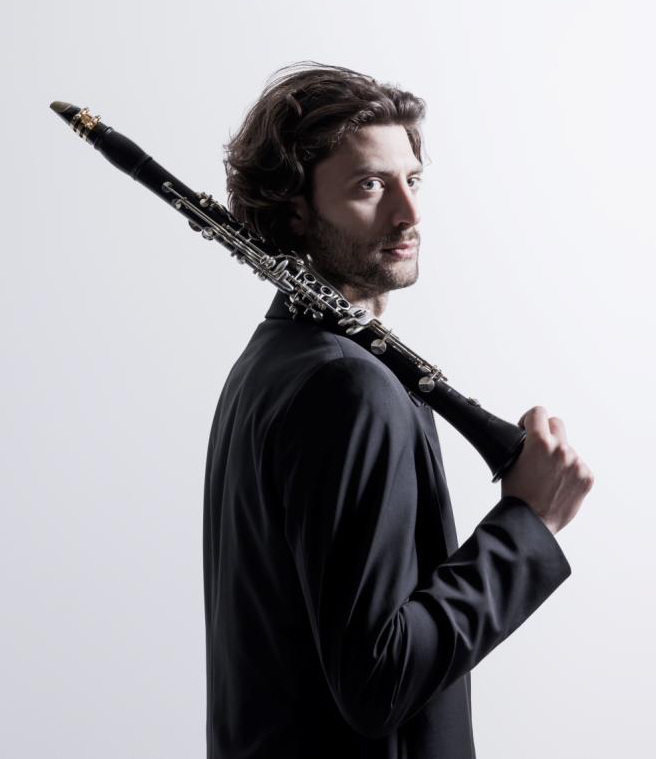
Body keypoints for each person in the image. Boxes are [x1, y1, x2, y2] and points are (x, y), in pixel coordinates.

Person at [202, 62, 594, 759]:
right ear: (296, 210)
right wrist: (528, 525)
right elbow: (377, 679)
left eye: (412, 179)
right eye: (369, 185)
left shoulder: (272, 359)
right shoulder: (347, 387)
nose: (409, 213)